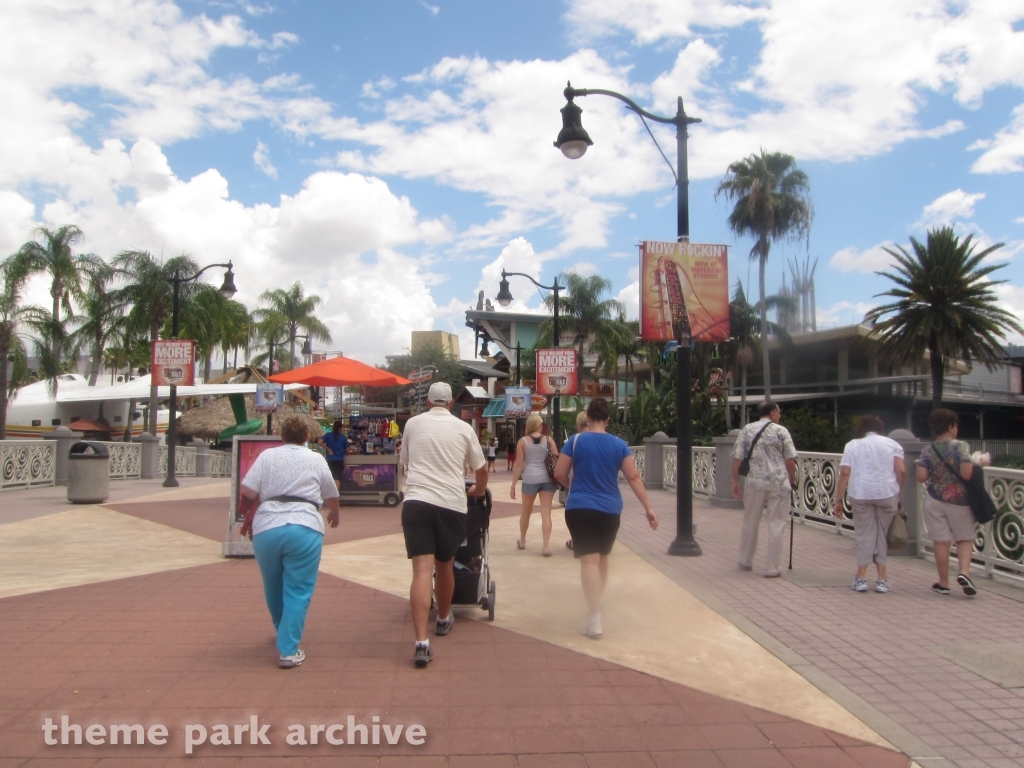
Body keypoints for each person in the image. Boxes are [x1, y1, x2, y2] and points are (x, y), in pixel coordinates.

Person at [238, 415, 340, 669]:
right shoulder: (316, 459)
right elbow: (331, 493)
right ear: (306, 436)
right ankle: (288, 649)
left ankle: (282, 630)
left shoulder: (267, 457)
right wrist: (334, 513)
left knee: (273, 585)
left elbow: (247, 490)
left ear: (281, 436)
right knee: (298, 589)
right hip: (305, 526)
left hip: (267, 527)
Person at [399, 382, 488, 667]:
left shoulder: (412, 424)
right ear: (451, 404)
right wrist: (478, 490)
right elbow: (481, 467)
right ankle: (441, 618)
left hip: (417, 503)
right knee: (445, 565)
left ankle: (421, 643)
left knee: (421, 570)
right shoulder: (464, 428)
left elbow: (405, 463)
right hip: (450, 504)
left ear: (427, 402)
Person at [554, 398, 657, 639]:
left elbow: (559, 473)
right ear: (608, 420)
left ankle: (594, 617)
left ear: (588, 418)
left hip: (580, 507)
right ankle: (596, 606)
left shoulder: (575, 441)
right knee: (602, 558)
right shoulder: (619, 445)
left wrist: (573, 485)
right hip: (610, 510)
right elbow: (633, 477)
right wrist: (648, 508)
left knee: (589, 562)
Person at [833, 415, 906, 593]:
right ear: (880, 428)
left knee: (864, 534)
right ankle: (882, 579)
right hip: (887, 493)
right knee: (881, 534)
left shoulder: (852, 445)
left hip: (860, 493)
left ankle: (861, 577)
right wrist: (897, 489)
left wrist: (838, 499)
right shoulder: (893, 445)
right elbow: (901, 470)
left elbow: (845, 473)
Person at [917, 408, 983, 597]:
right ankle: (964, 573)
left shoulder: (928, 449)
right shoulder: (960, 446)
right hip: (959, 500)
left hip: (934, 499)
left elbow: (921, 476)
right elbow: (966, 474)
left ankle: (943, 583)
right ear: (951, 426)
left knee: (941, 541)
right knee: (964, 538)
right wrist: (978, 465)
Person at [731, 400, 798, 578]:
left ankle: (745, 560)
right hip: (778, 482)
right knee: (776, 525)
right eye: (779, 412)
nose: (780, 415)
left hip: (755, 482)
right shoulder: (781, 431)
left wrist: (735, 481)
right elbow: (790, 460)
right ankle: (772, 568)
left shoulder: (747, 430)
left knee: (750, 522)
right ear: (772, 413)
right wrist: (793, 480)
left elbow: (737, 458)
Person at [510, 413, 559, 556]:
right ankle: (545, 547)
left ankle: (522, 540)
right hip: (547, 479)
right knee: (546, 513)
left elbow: (519, 465)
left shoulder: (522, 442)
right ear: (539, 425)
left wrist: (513, 485)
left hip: (530, 478)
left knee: (526, 512)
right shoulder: (549, 440)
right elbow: (556, 459)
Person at [564, 411, 590, 550]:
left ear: (578, 424)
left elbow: (559, 472)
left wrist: (568, 484)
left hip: (578, 490)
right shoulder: (608, 440)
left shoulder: (574, 441)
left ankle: (576, 540)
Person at [317, 419, 349, 491]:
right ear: (340, 428)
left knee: (330, 478)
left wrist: (328, 449)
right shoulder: (343, 437)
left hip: (329, 460)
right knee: (337, 479)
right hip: (339, 461)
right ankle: (336, 495)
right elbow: (347, 450)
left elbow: (319, 442)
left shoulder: (328, 435)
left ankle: (329, 494)